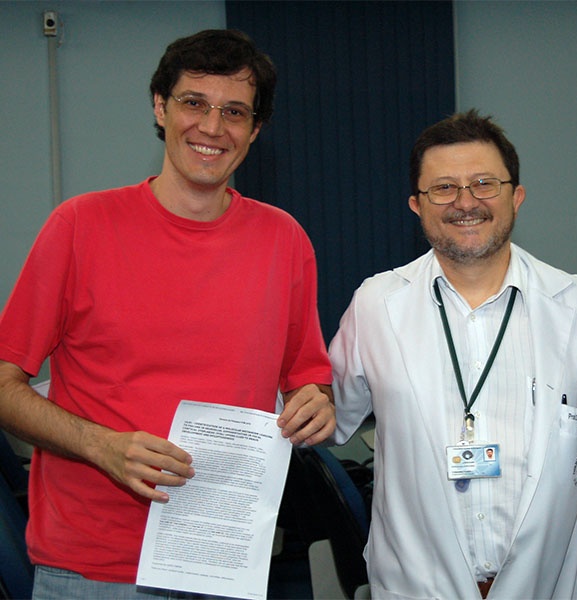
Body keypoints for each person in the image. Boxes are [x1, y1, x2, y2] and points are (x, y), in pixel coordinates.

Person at [0, 29, 335, 598]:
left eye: (234, 111)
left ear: (254, 130)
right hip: (95, 567)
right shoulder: (80, 226)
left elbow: (308, 377)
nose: (211, 127)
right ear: (161, 107)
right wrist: (101, 445)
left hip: (224, 558)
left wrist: (316, 405)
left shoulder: (285, 240)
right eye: (193, 103)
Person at [329, 109, 577, 599]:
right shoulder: (377, 304)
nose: (465, 203)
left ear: (516, 197)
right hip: (416, 584)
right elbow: (328, 418)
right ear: (416, 204)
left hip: (546, 586)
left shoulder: (576, 307)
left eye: (484, 184)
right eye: (443, 188)